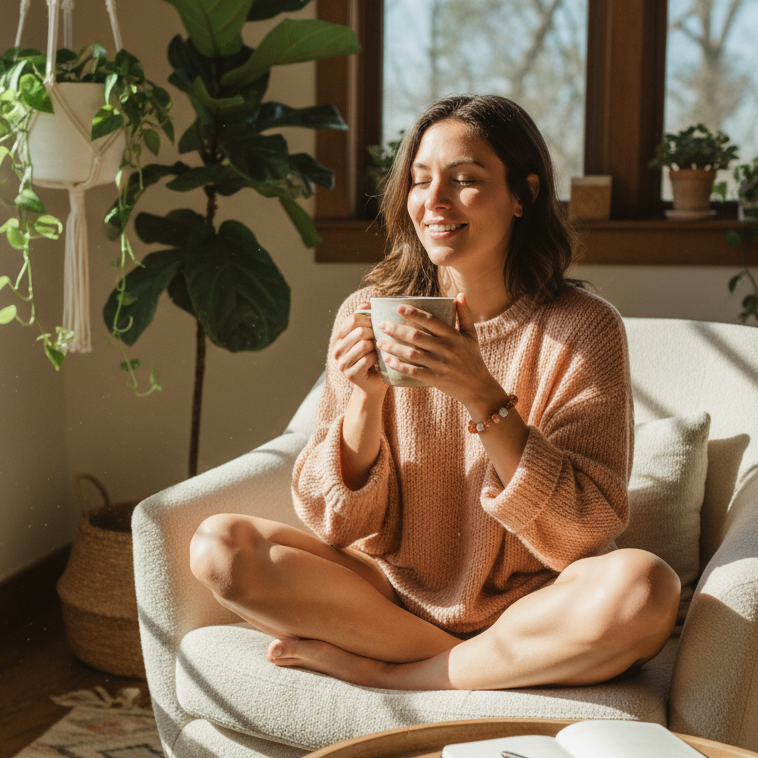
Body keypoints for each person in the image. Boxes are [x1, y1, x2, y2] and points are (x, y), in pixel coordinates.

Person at [188, 95, 680, 691]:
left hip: (533, 608)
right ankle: (471, 666)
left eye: (465, 180)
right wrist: (364, 400)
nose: (435, 201)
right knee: (220, 547)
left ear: (523, 195)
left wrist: (481, 394)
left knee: (645, 588)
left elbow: (583, 531)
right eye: (421, 181)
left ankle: (397, 674)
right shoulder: (368, 313)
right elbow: (333, 524)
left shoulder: (585, 327)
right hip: (388, 598)